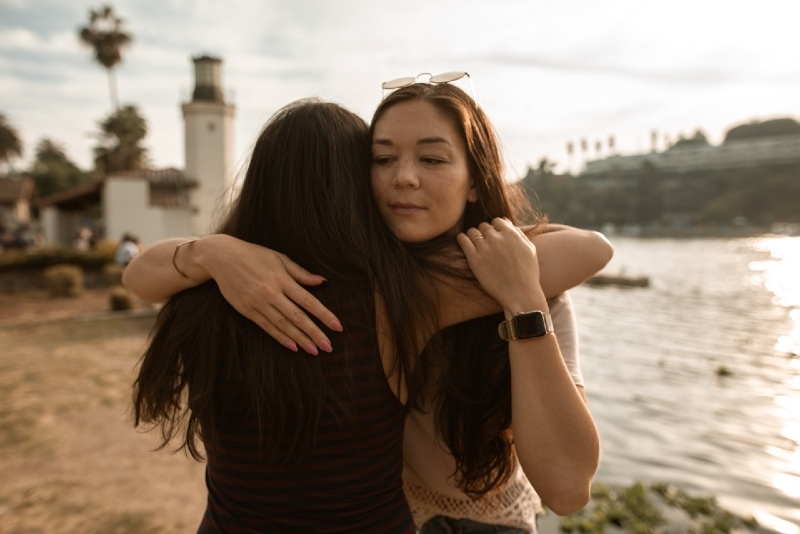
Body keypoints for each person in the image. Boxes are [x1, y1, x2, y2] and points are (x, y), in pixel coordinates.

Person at [126, 82, 611, 532]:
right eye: (381, 160)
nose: (403, 179)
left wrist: (212, 250)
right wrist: (215, 251)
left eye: (433, 160)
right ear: (354, 185)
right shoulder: (400, 292)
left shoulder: (203, 298)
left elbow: (138, 275)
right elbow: (591, 249)